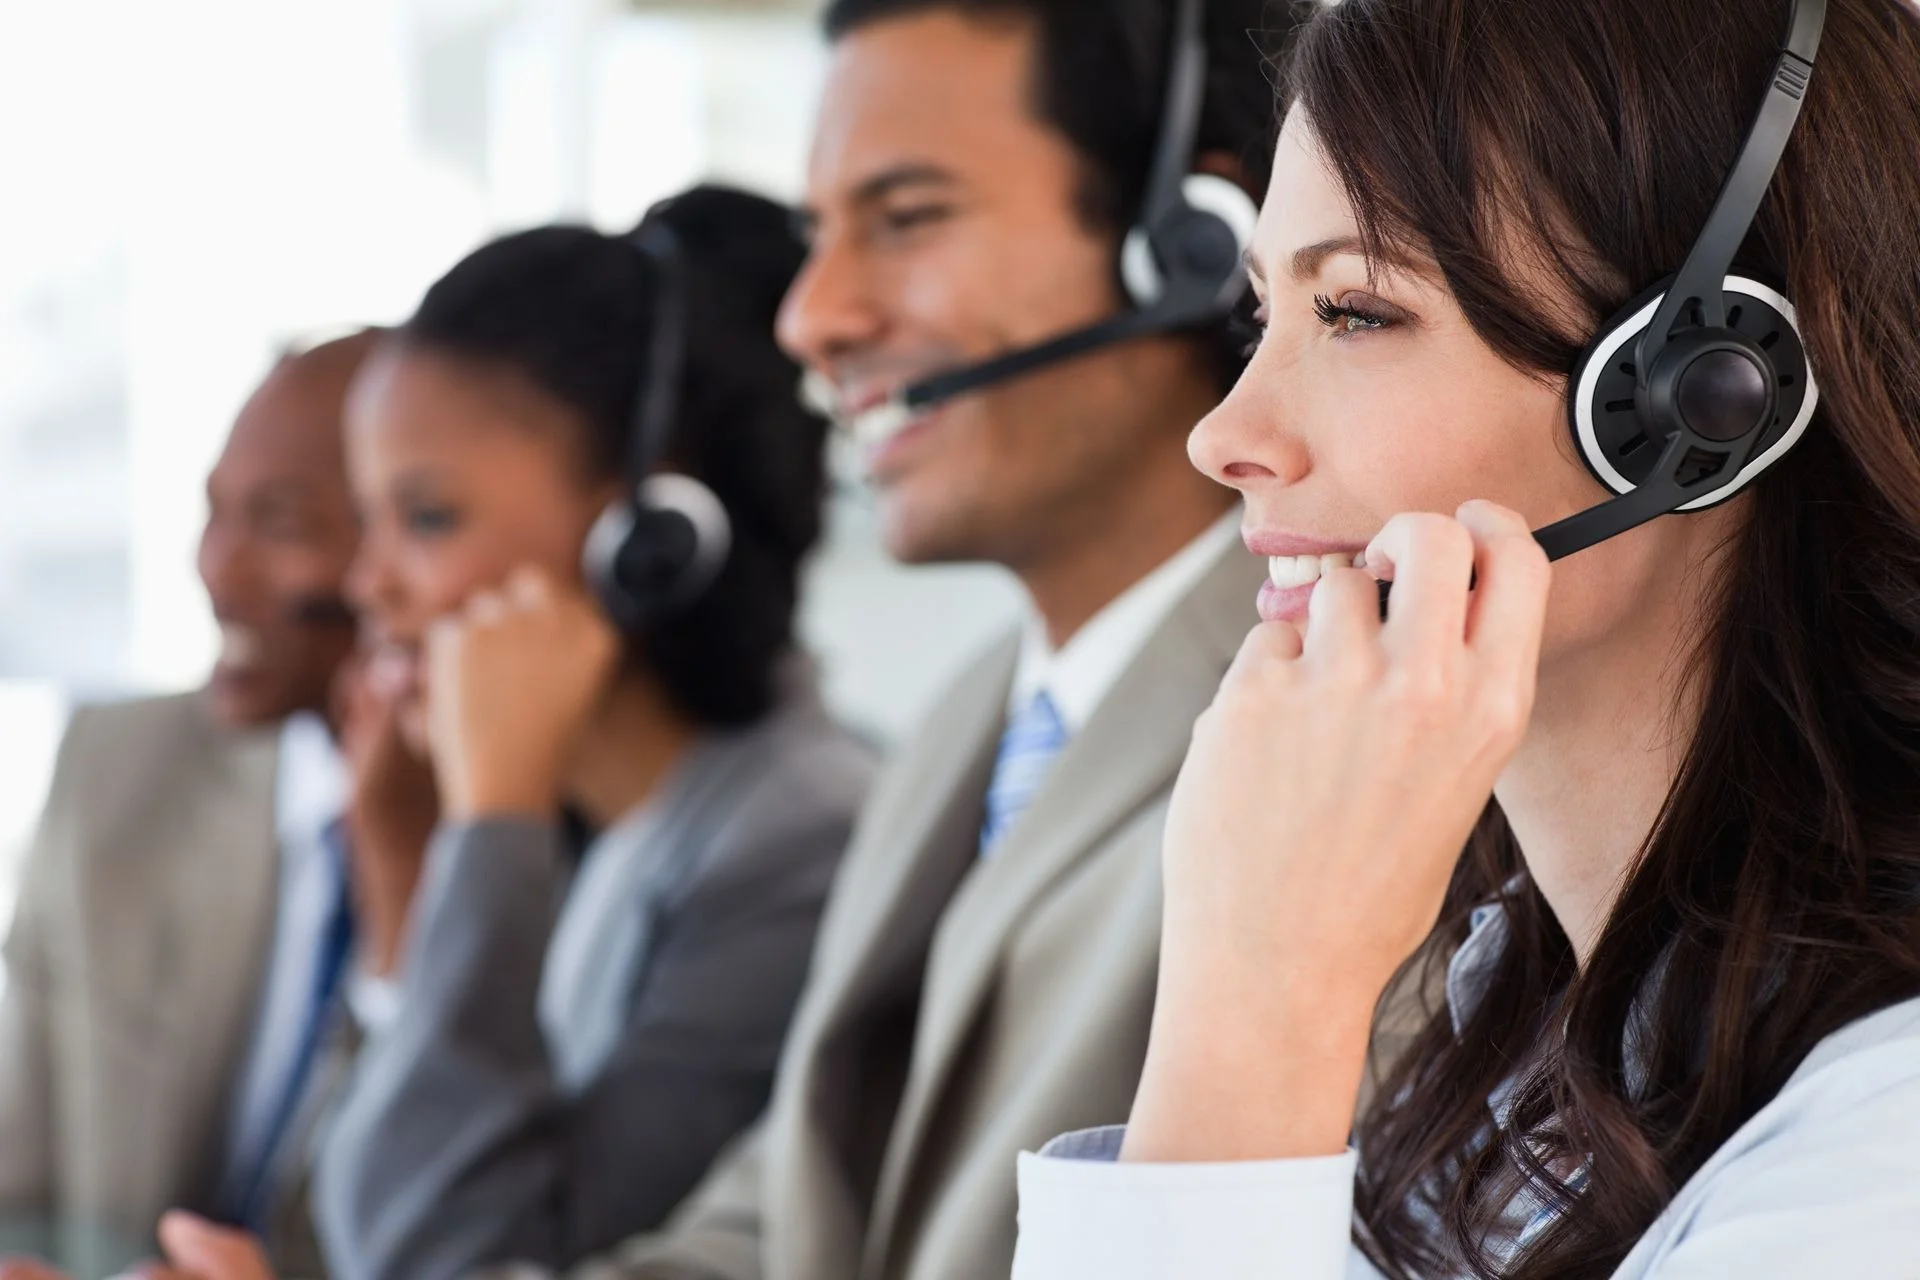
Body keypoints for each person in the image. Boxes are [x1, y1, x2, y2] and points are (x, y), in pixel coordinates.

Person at [139, 3, 1306, 1280]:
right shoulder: (970, 729)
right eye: (819, 240)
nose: (812, 318)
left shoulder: (1339, 742)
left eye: (906, 217)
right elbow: (756, 1245)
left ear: (1191, 244)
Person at [1011, 0, 1920, 1276]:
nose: (1223, 435)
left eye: (1356, 313)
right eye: (1260, 314)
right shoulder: (1514, 1014)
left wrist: (1260, 1009)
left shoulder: (1888, 1153)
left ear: (1698, 398)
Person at [299, 185, 877, 1280]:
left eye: (427, 518)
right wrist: (405, 890)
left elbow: (449, 1251)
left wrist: (491, 823)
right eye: (366, 519)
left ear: (646, 535)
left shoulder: (795, 847)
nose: (367, 583)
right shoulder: (608, 827)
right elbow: (353, 1207)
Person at [0, 330, 379, 1279]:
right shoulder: (118, 772)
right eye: (216, 514)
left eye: (282, 524)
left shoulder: (528, 851)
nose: (218, 569)